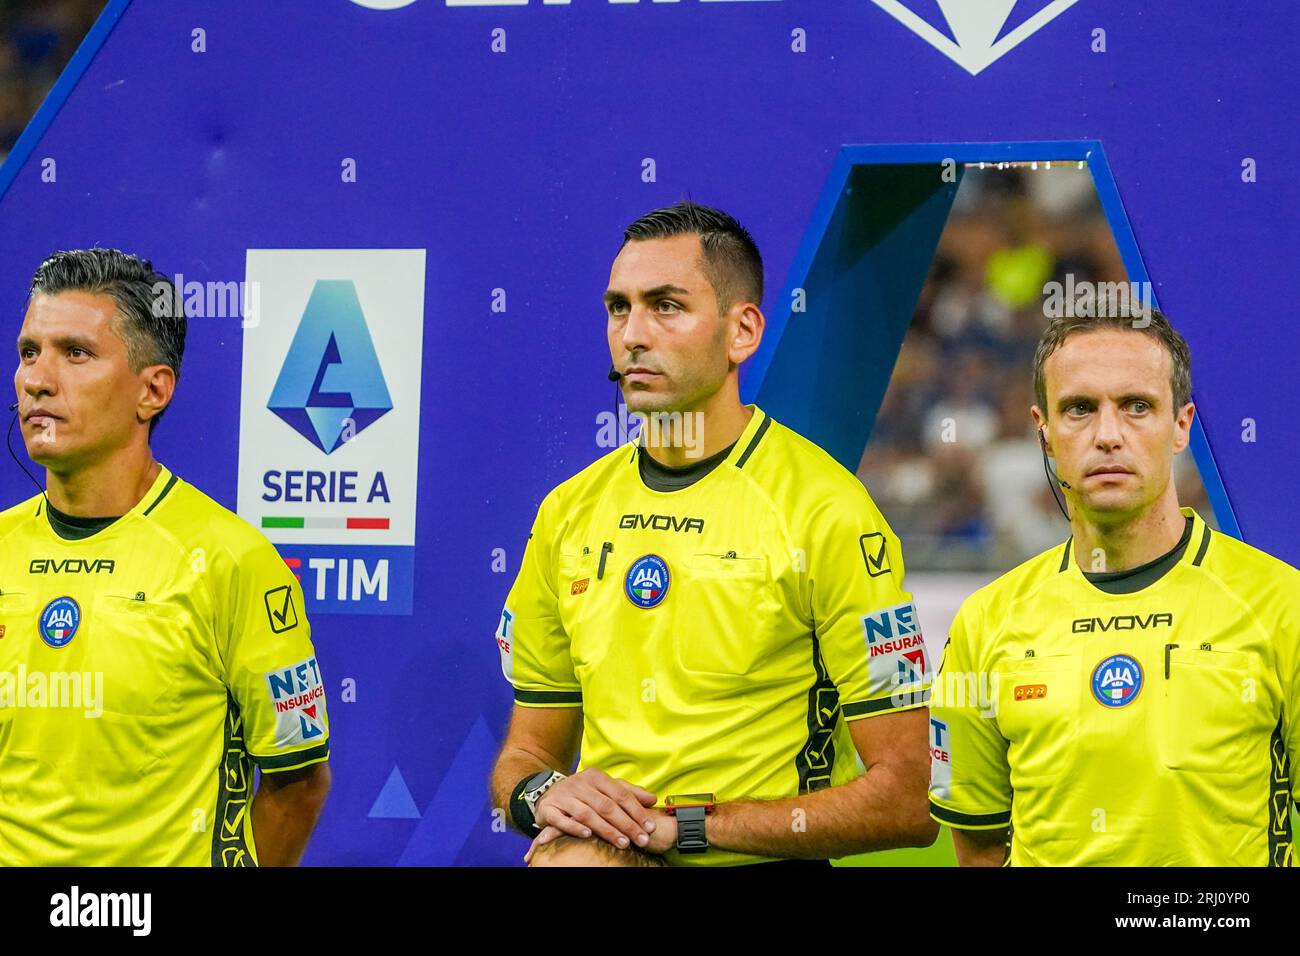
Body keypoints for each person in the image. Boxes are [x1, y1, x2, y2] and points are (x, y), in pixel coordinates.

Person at [488, 201, 936, 866]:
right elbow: (525, 755)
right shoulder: (568, 511)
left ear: (742, 332)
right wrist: (542, 795)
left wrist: (686, 828)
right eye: (619, 308)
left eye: (666, 306)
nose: (633, 334)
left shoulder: (828, 512)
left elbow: (907, 800)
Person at [929, 308, 1298, 866]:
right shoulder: (985, 623)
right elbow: (978, 844)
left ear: (1181, 425)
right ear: (1044, 432)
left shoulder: (1280, 604)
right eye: (1079, 409)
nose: (1107, 435)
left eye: (1137, 407)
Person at [0, 249, 331, 865]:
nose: (36, 379)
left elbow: (298, 783)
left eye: (75, 353)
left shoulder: (231, 559)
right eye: (28, 351)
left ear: (153, 390)